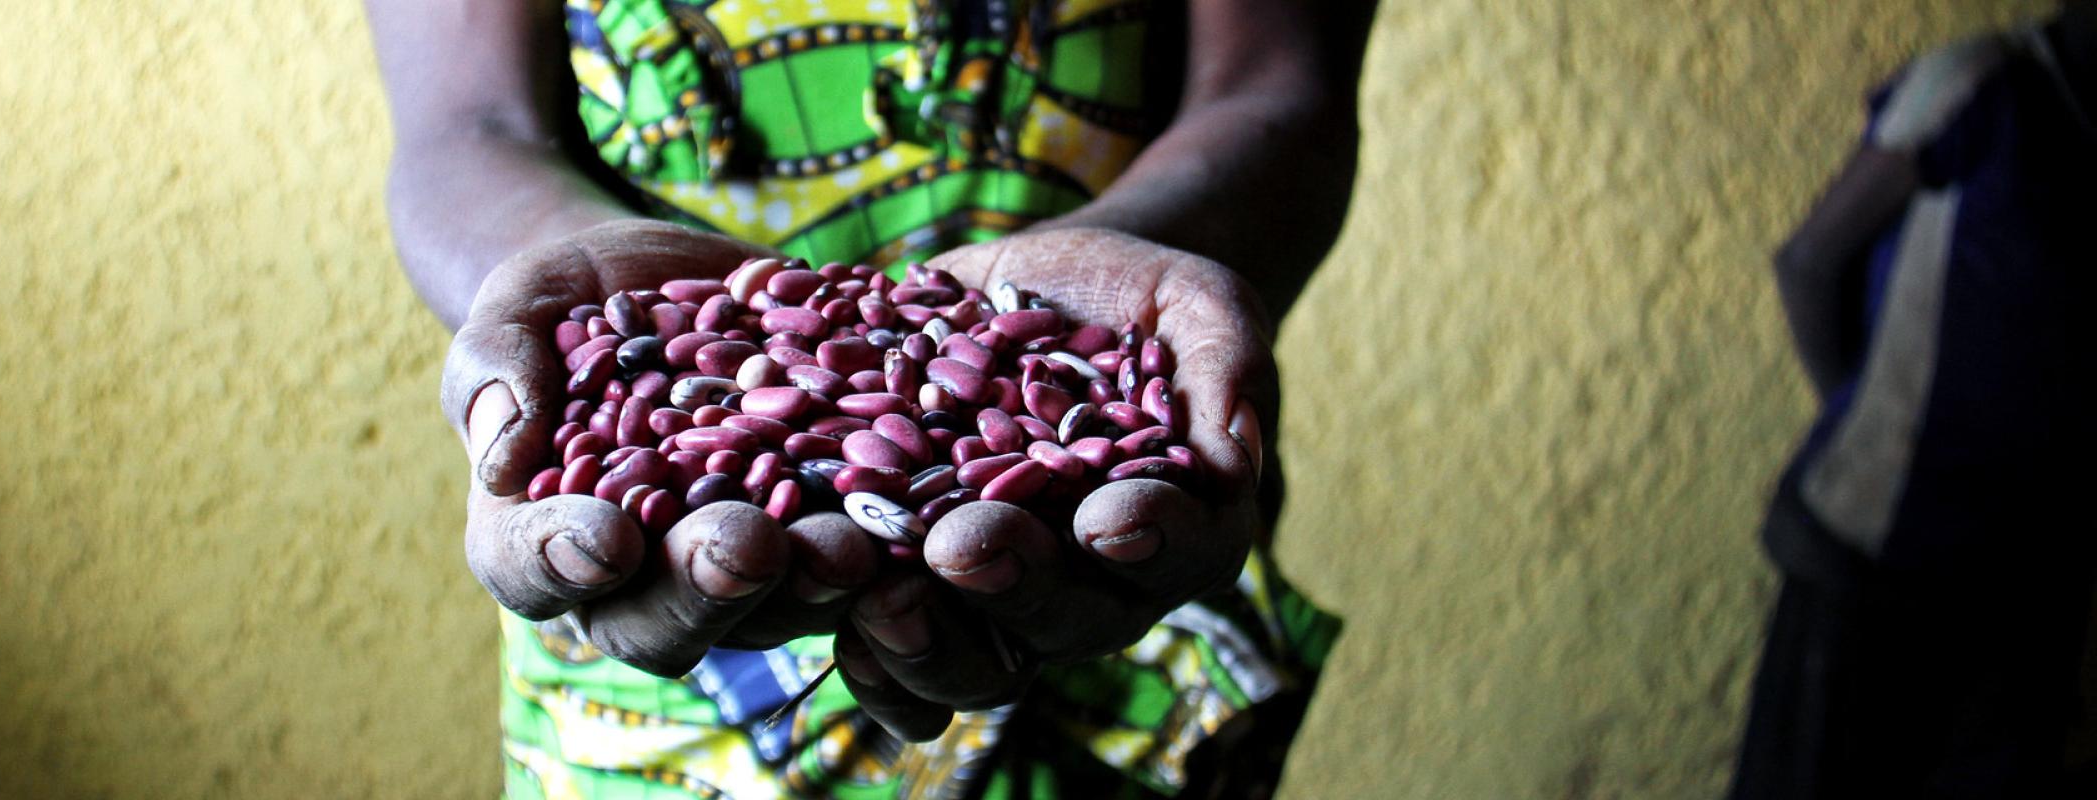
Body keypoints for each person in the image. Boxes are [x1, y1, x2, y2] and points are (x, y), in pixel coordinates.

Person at [368, 1, 1375, 795]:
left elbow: (1276, 86)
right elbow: (471, 123)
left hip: (1121, 591)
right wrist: (549, 297)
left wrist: (1149, 275)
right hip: (643, 668)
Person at [1738, 5, 2097, 798]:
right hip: (1877, 553)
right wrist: (1866, 423)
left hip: (2023, 590)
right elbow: (1808, 262)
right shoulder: (1982, 83)